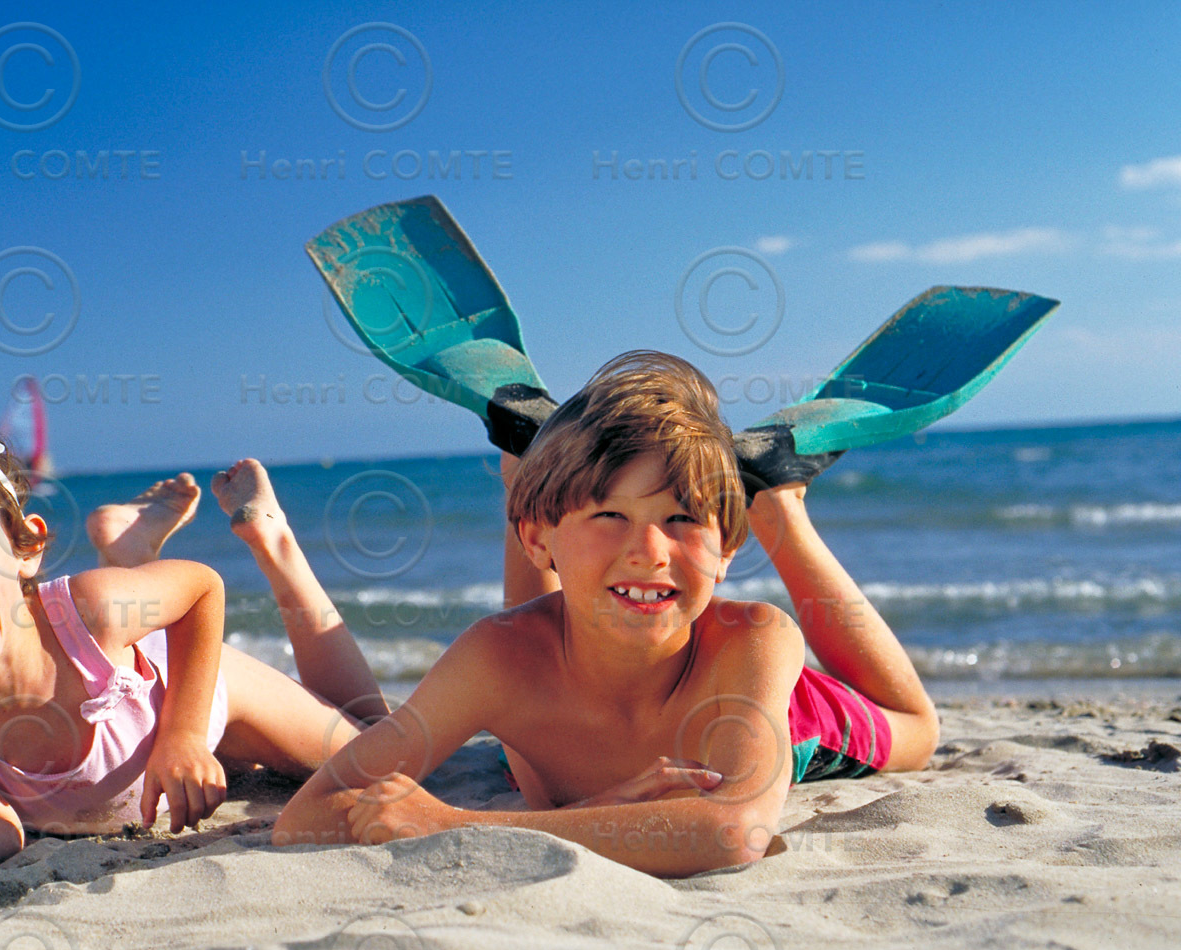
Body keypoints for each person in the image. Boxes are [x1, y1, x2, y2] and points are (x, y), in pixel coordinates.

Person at [274, 351, 942, 875]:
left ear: (727, 547)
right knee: (542, 637)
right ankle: (530, 474)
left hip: (787, 722)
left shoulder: (751, 643)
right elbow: (305, 818)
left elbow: (734, 829)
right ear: (532, 542)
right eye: (611, 515)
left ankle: (776, 506)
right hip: (550, 728)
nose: (649, 550)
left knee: (917, 733)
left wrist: (448, 823)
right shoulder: (498, 654)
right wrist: (596, 813)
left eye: (682, 518)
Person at [0, 389, 385, 891]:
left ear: (26, 548)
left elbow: (202, 590)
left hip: (178, 691)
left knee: (377, 747)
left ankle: (273, 543)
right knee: (265, 763)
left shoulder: (92, 608)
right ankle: (129, 553)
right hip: (127, 730)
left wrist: (182, 737)